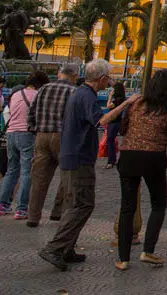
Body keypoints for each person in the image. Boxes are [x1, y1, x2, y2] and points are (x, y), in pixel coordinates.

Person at [38, 59, 112, 271]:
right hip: (79, 157)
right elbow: (101, 120)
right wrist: (125, 105)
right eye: (108, 78)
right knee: (82, 204)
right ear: (102, 78)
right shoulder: (86, 96)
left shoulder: (79, 93)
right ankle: (55, 247)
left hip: (72, 154)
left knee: (73, 204)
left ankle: (66, 248)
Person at [110, 69, 167, 270]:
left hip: (129, 156)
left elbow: (123, 129)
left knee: (127, 207)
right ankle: (148, 250)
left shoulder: (136, 104)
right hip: (153, 158)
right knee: (159, 204)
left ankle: (123, 258)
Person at [26, 62, 78, 225]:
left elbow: (31, 112)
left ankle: (33, 217)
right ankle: (57, 211)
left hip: (42, 135)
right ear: (75, 76)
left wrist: (34, 128)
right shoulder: (74, 91)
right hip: (63, 137)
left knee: (39, 178)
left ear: (59, 73)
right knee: (67, 174)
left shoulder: (44, 88)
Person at [0, 70, 48, 217]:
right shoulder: (38, 95)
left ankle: (2, 205)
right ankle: (22, 208)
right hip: (27, 135)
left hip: (11, 134)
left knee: (11, 171)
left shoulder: (16, 94)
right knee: (26, 172)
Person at [102, 81, 126, 169]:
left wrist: (110, 96)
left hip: (114, 122)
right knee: (111, 140)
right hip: (117, 121)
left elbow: (108, 106)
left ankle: (111, 161)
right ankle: (112, 159)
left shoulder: (117, 100)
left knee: (110, 141)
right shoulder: (122, 99)